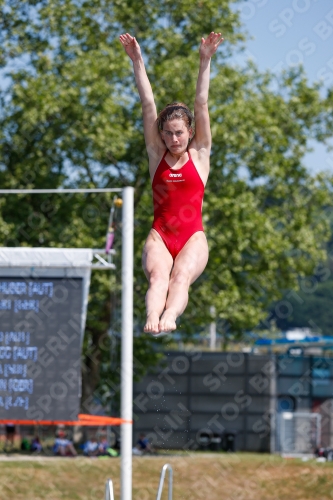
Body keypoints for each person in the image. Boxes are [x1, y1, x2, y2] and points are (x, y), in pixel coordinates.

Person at [119, 31, 223, 335]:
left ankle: (170, 315)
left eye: (179, 133)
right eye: (168, 133)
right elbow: (148, 103)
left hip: (192, 237)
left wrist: (205, 60)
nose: (174, 139)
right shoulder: (156, 155)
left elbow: (200, 103)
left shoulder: (200, 155)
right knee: (158, 278)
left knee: (180, 278)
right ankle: (153, 315)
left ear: (189, 132)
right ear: (161, 135)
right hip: (160, 236)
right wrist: (137, 60)